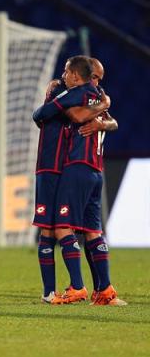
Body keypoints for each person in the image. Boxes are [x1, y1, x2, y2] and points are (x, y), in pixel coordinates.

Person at [32, 55, 125, 305]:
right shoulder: (83, 94)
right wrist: (102, 109)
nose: (96, 83)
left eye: (99, 80)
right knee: (91, 231)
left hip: (75, 168)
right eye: (94, 77)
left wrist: (100, 121)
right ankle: (102, 291)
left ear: (76, 74)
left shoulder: (86, 94)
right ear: (86, 73)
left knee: (62, 227)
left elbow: (77, 116)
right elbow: (93, 117)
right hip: (90, 170)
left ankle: (78, 288)